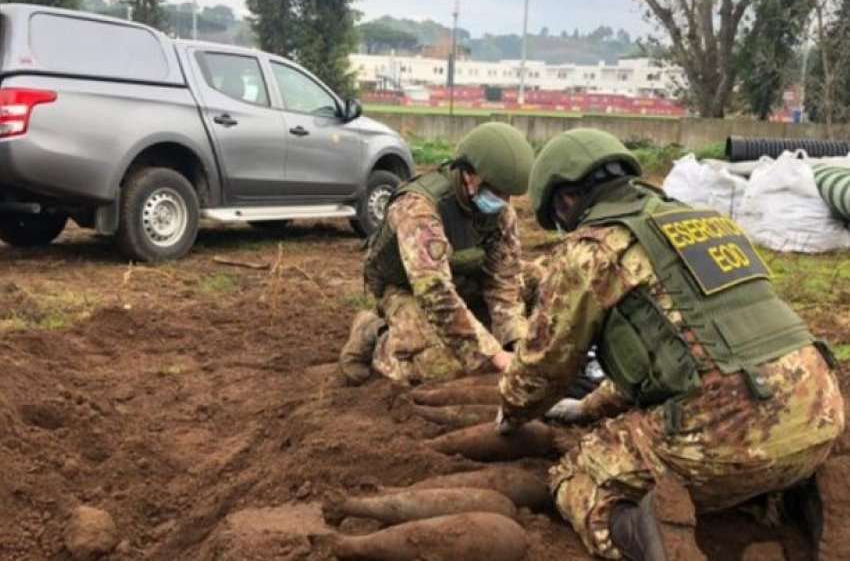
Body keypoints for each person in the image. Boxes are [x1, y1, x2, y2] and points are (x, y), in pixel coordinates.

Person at [496, 128, 845, 560]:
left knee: (578, 475)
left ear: (566, 200)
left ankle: (654, 539)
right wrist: (588, 407)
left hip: (726, 433)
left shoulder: (590, 250)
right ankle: (808, 492)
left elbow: (543, 366)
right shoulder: (709, 221)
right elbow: (689, 349)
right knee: (754, 448)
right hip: (820, 411)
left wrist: (512, 411)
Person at [339, 122, 535, 387]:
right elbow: (434, 292)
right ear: (468, 175)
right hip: (406, 288)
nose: (503, 202)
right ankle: (377, 334)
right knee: (439, 368)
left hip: (460, 278)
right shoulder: (418, 209)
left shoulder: (499, 213)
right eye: (496, 192)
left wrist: (516, 341)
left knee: (542, 277)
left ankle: (479, 330)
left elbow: (505, 280)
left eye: (507, 195)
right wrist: (495, 354)